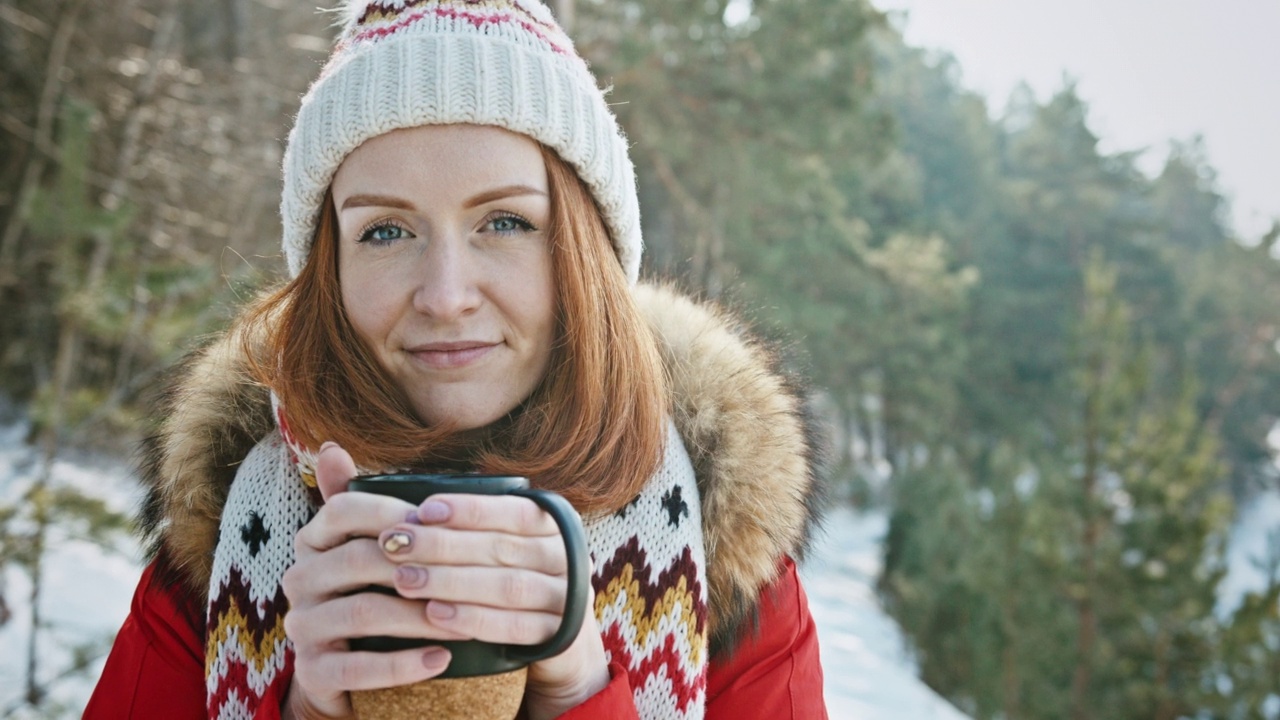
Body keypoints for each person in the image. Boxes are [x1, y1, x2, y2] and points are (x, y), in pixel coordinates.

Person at [86, 1, 827, 718]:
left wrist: (578, 694)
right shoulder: (225, 547)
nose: (444, 295)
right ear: (328, 270)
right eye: (383, 232)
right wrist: (309, 710)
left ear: (586, 253)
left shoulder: (722, 558)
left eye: (504, 221)